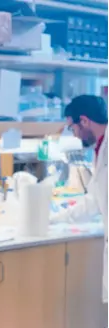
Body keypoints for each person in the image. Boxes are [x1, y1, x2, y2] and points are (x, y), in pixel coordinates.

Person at [54, 94, 107, 303]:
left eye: (72, 127)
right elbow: (94, 200)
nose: (75, 134)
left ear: (84, 121)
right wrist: (56, 218)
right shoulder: (100, 149)